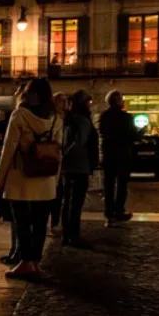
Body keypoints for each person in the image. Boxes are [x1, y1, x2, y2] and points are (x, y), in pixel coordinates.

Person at [0, 78, 62, 279]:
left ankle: (25, 263)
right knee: (40, 223)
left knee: (22, 222)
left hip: (20, 178)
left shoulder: (20, 116)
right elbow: (58, 152)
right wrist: (55, 180)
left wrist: (0, 179)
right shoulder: (56, 119)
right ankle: (35, 262)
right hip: (46, 179)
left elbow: (9, 149)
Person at [0, 83, 26, 266]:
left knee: (17, 216)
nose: (14, 94)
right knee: (23, 218)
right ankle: (20, 252)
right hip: (33, 174)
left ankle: (19, 252)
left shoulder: (17, 116)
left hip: (16, 172)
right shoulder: (45, 116)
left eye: (17, 92)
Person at [61, 90, 96, 246]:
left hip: (67, 166)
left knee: (67, 200)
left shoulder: (68, 119)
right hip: (79, 165)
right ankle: (73, 235)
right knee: (76, 202)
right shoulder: (83, 121)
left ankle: (66, 233)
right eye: (88, 102)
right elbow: (79, 142)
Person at [98, 90, 136, 228]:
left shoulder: (104, 116)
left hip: (109, 155)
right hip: (123, 155)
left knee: (108, 186)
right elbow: (132, 136)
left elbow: (102, 133)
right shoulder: (126, 117)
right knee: (122, 185)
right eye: (121, 99)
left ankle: (109, 215)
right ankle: (119, 211)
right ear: (118, 101)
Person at [48, 92, 70, 234]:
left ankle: (54, 222)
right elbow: (58, 141)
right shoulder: (56, 119)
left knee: (57, 192)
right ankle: (54, 223)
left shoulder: (60, 118)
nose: (65, 104)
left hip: (57, 159)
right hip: (54, 159)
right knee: (55, 192)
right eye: (62, 101)